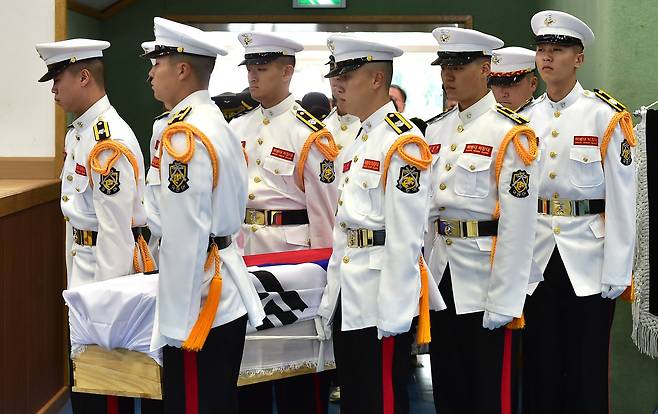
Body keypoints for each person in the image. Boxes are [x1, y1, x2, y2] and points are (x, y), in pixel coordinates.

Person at [143, 17, 265, 413]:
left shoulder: (185, 134)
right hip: (219, 284)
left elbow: (185, 234)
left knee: (192, 402)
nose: (150, 72)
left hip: (199, 301)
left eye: (157, 62)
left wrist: (174, 325)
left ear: (181, 69)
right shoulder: (212, 121)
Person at [318, 34, 443, 414]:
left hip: (379, 295)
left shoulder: (402, 143)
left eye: (347, 75)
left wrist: (395, 310)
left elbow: (406, 236)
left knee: (381, 399)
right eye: (334, 75)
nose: (336, 84)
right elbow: (347, 229)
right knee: (357, 395)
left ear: (376, 80)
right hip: (350, 289)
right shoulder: (359, 139)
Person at [521, 11, 637, 414]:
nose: (547, 58)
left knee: (586, 372)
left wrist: (619, 271)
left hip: (588, 259)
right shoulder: (525, 120)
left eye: (557, 49)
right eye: (541, 49)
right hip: (536, 259)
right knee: (539, 370)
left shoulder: (605, 117)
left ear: (579, 58)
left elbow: (623, 200)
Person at [36, 38, 156, 414]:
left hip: (104, 276)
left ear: (84, 76)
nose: (54, 89)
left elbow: (116, 232)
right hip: (83, 268)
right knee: (88, 385)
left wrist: (106, 305)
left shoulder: (108, 141)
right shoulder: (80, 134)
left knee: (106, 388)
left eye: (58, 79)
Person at [423, 27, 539, 414]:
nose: (448, 75)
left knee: (489, 393)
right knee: (447, 387)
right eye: (444, 66)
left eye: (459, 65)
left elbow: (519, 226)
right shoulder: (436, 129)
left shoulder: (511, 132)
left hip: (486, 279)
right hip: (442, 274)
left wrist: (507, 298)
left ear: (486, 67)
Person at [230, 31, 338, 414]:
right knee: (248, 378)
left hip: (295, 266)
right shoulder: (238, 128)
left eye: (262, 68)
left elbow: (325, 217)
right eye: (250, 68)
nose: (253, 76)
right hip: (244, 259)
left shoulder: (310, 133)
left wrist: (324, 283)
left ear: (287, 70)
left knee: (299, 382)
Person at [324, 56, 362, 152]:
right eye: (332, 68)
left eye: (345, 69)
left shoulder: (376, 129)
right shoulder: (322, 126)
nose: (336, 77)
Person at [489, 46, 538, 112]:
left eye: (511, 84)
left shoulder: (546, 119)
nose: (502, 94)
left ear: (533, 83)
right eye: (495, 84)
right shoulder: (481, 118)